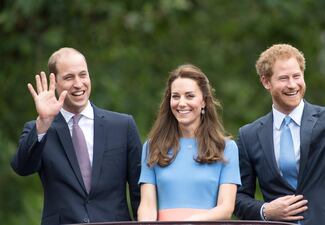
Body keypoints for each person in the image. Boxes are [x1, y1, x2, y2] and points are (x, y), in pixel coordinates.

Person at [234, 44, 325, 225]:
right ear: (266, 82)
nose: (292, 84)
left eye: (296, 76)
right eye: (283, 78)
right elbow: (239, 198)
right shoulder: (248, 135)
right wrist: (265, 210)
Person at [11, 47, 142, 225]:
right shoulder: (40, 128)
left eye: (83, 75)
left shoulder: (123, 126)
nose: (78, 83)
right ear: (55, 83)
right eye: (69, 77)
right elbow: (22, 167)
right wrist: (43, 122)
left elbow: (139, 193)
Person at [137, 64, 241, 221]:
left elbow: (226, 208)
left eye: (190, 96)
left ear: (204, 101)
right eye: (176, 96)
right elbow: (147, 205)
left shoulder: (226, 148)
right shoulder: (152, 147)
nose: (181, 103)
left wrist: (190, 222)